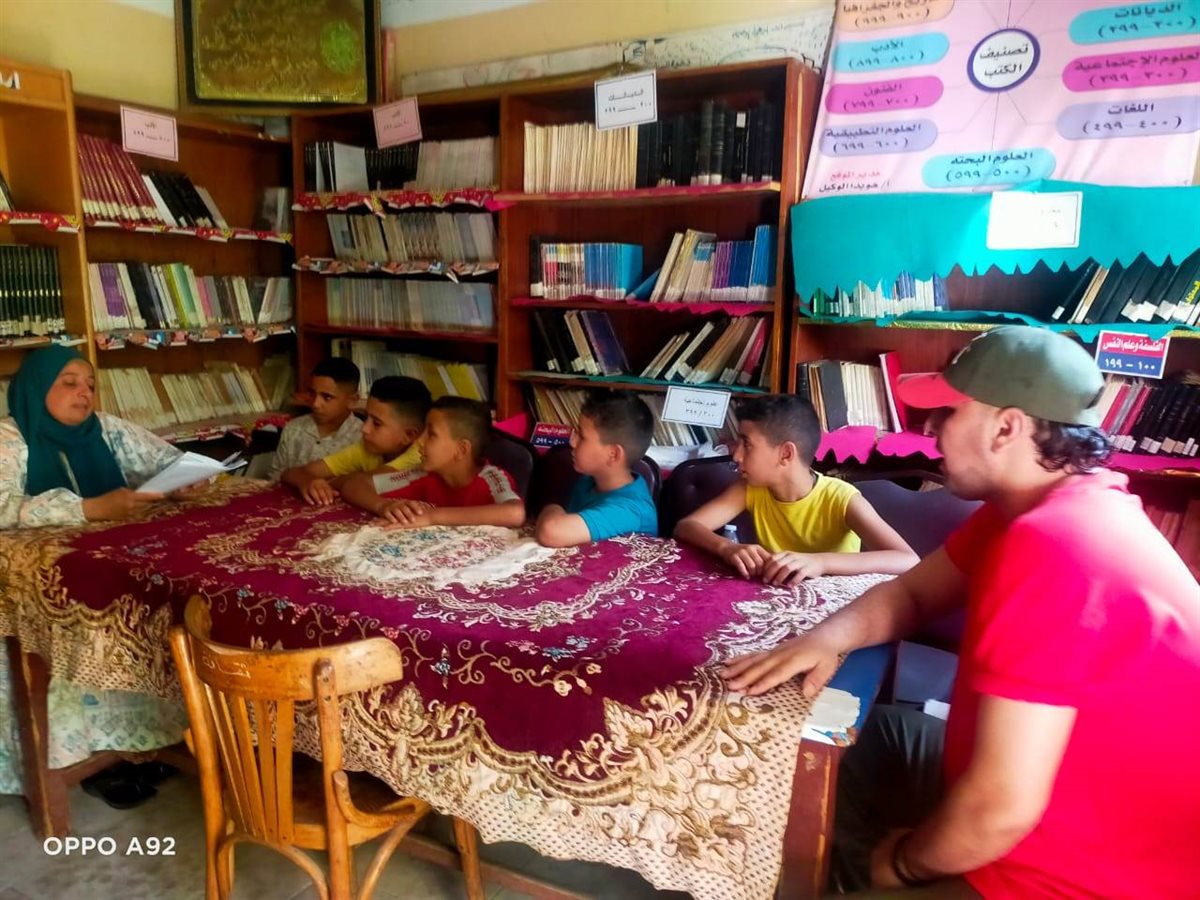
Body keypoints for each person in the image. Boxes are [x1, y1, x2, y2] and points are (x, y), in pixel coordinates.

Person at [720, 326, 1200, 897]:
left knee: (863, 849)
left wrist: (903, 863)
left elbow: (999, 810)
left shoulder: (1057, 545)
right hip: (1043, 804)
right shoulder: (1035, 507)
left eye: (947, 413)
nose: (929, 429)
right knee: (866, 739)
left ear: (1006, 428)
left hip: (1075, 874)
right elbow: (912, 594)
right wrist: (825, 637)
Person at [0, 345, 190, 806]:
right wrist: (88, 509)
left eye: (89, 384)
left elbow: (165, 460)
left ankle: (144, 745)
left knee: (153, 610)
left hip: (109, 565)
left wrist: (186, 478)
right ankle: (83, 758)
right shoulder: (9, 439)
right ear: (36, 388)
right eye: (69, 383)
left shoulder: (104, 429)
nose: (83, 393)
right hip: (42, 584)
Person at [675, 395, 917, 584]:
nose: (736, 455)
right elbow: (686, 526)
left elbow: (907, 559)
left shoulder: (841, 499)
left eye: (746, 445)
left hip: (834, 610)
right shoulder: (751, 489)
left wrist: (821, 562)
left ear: (786, 454)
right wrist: (726, 547)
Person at [343, 396, 525, 528]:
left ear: (461, 449)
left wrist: (432, 517)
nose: (418, 441)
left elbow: (515, 513)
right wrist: (382, 505)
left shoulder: (491, 477)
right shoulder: (424, 475)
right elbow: (354, 484)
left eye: (431, 434)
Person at [281, 375, 430, 506]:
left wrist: (331, 482)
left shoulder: (421, 455)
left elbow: (364, 482)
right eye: (366, 417)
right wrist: (307, 481)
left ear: (409, 435)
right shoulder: (367, 447)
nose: (364, 428)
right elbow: (293, 472)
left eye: (376, 423)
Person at [535, 391, 658, 547]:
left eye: (582, 436)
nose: (572, 442)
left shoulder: (631, 511)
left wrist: (552, 507)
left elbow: (551, 531)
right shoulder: (588, 482)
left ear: (613, 454)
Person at [265, 357, 363, 481]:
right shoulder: (293, 428)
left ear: (352, 400)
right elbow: (275, 476)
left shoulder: (362, 437)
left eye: (327, 397)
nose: (315, 404)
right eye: (312, 393)